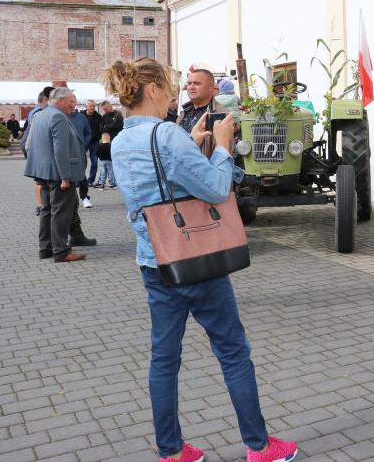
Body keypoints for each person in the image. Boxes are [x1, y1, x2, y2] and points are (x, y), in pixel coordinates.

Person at [102, 58, 298, 462]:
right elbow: (215, 188)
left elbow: (159, 186)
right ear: (152, 89)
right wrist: (222, 145)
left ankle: (172, 452)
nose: (174, 95)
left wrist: (190, 145)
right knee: (232, 351)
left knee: (164, 359)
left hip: (154, 260)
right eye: (170, 87)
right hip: (195, 259)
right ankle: (259, 446)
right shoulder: (167, 134)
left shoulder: (121, 141)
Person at [23, 88, 90, 263]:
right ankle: (61, 251)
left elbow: (31, 145)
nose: (74, 105)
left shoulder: (40, 115)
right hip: (58, 175)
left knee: (46, 211)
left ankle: (45, 248)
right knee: (61, 213)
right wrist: (65, 177)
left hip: (44, 173)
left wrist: (37, 172)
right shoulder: (58, 117)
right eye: (71, 102)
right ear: (60, 100)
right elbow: (60, 150)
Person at [22, 86, 55, 215]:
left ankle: (42, 204)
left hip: (35, 152)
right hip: (39, 153)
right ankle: (41, 204)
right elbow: (31, 139)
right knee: (40, 182)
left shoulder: (35, 112)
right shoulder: (39, 113)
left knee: (39, 181)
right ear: (45, 100)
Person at [69, 105, 94, 208]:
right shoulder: (61, 116)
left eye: (72, 102)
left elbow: (88, 133)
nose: (70, 105)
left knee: (81, 175)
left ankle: (84, 198)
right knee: (67, 176)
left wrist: (83, 144)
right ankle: (70, 200)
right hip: (65, 151)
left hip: (80, 151)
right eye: (69, 102)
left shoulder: (81, 117)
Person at [98, 101, 122, 188]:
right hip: (106, 141)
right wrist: (108, 127)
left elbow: (117, 125)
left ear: (110, 106)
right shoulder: (104, 116)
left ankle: (117, 180)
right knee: (106, 163)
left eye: (106, 109)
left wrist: (106, 126)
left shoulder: (118, 115)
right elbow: (101, 128)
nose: (105, 111)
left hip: (116, 140)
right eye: (103, 109)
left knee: (116, 161)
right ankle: (103, 181)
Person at [82, 100, 103, 185]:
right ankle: (81, 179)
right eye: (91, 106)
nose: (92, 108)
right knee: (82, 161)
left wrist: (100, 136)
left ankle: (91, 180)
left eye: (93, 106)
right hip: (83, 141)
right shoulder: (81, 116)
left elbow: (101, 128)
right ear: (86, 106)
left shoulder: (98, 117)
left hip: (94, 142)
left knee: (94, 161)